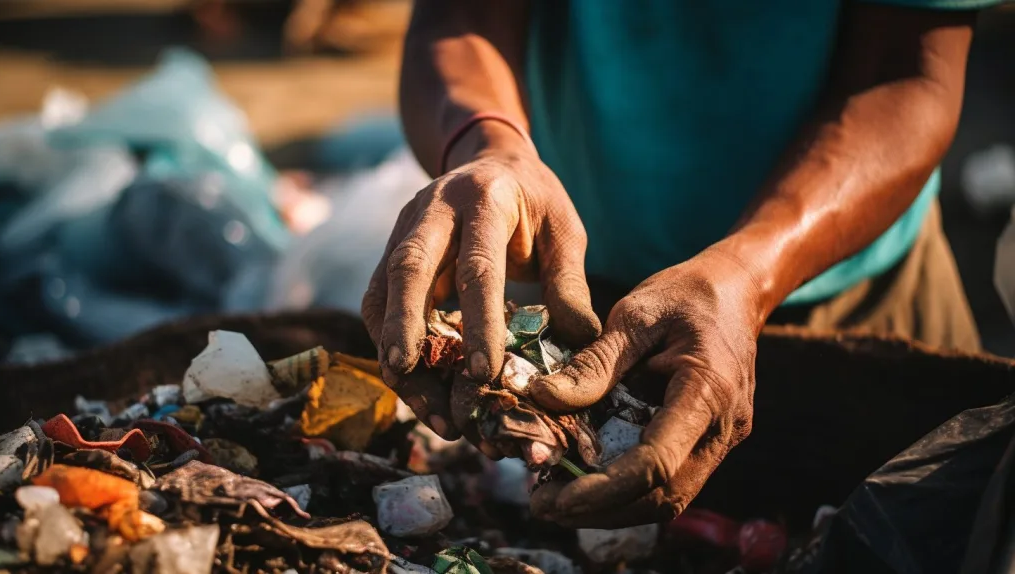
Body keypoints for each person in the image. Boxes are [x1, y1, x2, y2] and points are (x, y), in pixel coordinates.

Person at [362, 0, 996, 527]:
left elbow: (908, 72)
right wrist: (489, 143)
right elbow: (458, 15)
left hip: (856, 292)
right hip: (571, 283)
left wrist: (751, 271)